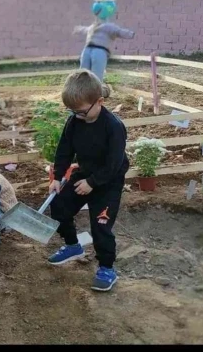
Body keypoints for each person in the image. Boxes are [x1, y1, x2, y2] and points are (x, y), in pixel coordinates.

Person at [47, 69, 129, 292]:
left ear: (99, 101)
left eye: (82, 112)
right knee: (59, 205)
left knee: (100, 225)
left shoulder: (113, 127)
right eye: (72, 112)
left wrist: (92, 183)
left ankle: (106, 268)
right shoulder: (74, 121)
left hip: (108, 181)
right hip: (85, 174)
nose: (77, 116)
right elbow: (64, 150)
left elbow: (114, 164)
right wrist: (57, 176)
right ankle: (73, 245)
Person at [73, 0, 135, 97]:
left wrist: (78, 29)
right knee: (95, 76)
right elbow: (119, 32)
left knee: (83, 73)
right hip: (98, 51)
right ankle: (91, 95)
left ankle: (82, 94)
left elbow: (86, 30)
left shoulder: (97, 26)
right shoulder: (108, 26)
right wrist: (131, 34)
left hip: (87, 50)